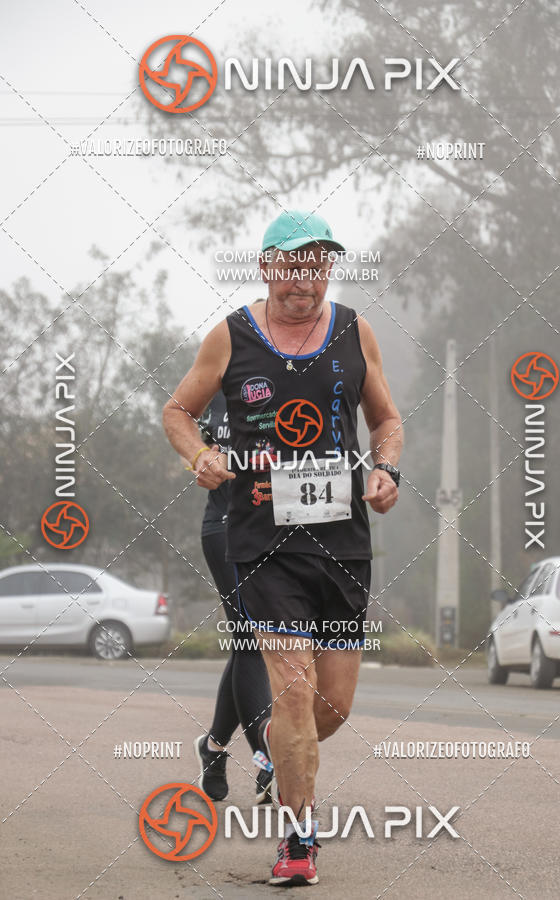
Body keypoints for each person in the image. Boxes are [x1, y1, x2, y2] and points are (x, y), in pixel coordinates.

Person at [163, 209, 403, 887]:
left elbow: (386, 419)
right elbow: (177, 411)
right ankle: (300, 842)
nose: (304, 278)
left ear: (328, 268)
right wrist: (201, 456)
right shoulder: (231, 336)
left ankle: (269, 745)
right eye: (291, 264)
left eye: (317, 264)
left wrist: (386, 469)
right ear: (266, 266)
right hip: (263, 542)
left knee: (330, 709)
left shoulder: (355, 332)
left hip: (341, 545)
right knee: (294, 695)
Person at [192, 389, 273, 804]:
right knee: (252, 639)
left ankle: (215, 747)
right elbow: (178, 416)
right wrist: (200, 455)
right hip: (224, 528)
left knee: (255, 642)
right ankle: (268, 752)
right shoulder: (218, 381)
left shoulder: (292, 383)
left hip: (277, 527)